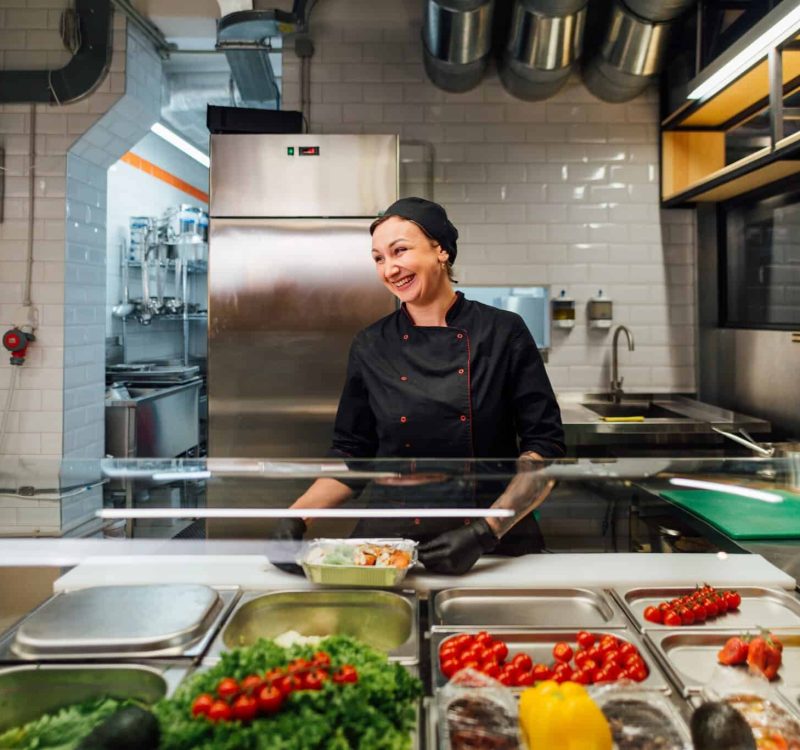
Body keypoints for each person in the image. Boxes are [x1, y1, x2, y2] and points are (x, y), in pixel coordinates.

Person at [272, 197, 565, 575]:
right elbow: (352, 452)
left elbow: (545, 447)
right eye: (378, 258)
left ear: (441, 250)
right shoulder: (371, 343)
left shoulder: (503, 332)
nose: (389, 269)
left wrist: (484, 532)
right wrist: (295, 518)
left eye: (400, 251)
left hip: (491, 545)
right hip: (390, 542)